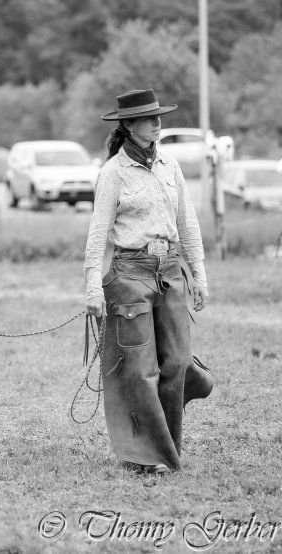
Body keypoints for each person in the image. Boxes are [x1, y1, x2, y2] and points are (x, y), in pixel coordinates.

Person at [83, 89, 213, 475]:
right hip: (129, 275)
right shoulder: (112, 174)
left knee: (177, 363)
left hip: (171, 271)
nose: (157, 123)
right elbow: (98, 234)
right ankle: (147, 456)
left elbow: (187, 223)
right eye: (147, 118)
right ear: (127, 126)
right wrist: (93, 287)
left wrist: (199, 276)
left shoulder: (170, 167)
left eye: (157, 116)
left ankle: (167, 447)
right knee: (140, 369)